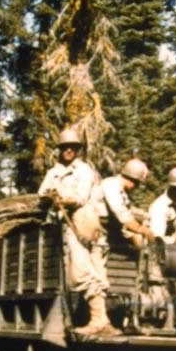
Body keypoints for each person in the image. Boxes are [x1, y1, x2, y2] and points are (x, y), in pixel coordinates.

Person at [38, 127, 120, 339]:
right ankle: (98, 320)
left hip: (82, 225)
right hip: (62, 229)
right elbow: (42, 193)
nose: (68, 151)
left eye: (72, 147)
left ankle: (99, 320)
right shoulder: (53, 172)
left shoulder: (84, 171)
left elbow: (81, 197)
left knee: (82, 272)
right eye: (65, 147)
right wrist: (50, 197)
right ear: (60, 149)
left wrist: (61, 198)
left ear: (77, 150)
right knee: (77, 274)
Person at [99, 158, 156, 249]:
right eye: (138, 184)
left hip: (104, 229)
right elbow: (122, 214)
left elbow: (129, 209)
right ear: (134, 180)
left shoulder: (121, 190)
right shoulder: (111, 185)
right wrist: (141, 229)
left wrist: (146, 215)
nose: (136, 188)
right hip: (94, 229)